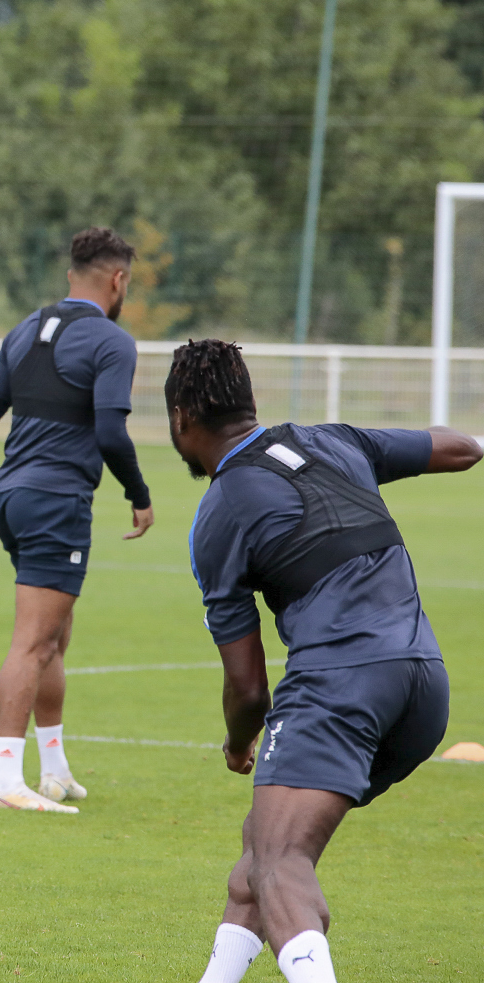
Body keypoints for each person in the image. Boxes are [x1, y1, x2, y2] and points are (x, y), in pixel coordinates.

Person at [166, 339, 477, 983]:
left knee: (280, 862)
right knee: (264, 844)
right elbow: (461, 448)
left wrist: (238, 743)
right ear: (249, 402)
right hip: (423, 689)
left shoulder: (220, 514)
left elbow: (249, 689)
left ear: (180, 418)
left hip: (341, 686)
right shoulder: (335, 441)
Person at [0, 226, 155, 813]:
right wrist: (139, 493)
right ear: (118, 280)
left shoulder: (24, 329)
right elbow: (111, 432)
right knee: (32, 642)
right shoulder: (112, 342)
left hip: (15, 498)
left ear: (72, 274)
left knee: (54, 637)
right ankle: (5, 780)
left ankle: (53, 771)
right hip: (57, 503)